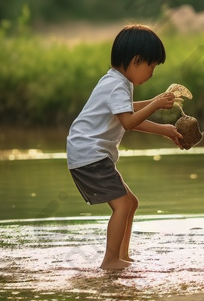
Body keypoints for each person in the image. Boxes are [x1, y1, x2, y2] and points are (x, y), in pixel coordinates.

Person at [67, 24, 183, 270]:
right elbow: (129, 122)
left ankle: (122, 256)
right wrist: (155, 105)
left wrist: (162, 124)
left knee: (131, 202)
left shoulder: (117, 82)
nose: (152, 72)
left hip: (90, 154)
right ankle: (110, 260)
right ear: (136, 60)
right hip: (90, 154)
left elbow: (127, 113)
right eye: (151, 66)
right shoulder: (116, 85)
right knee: (122, 205)